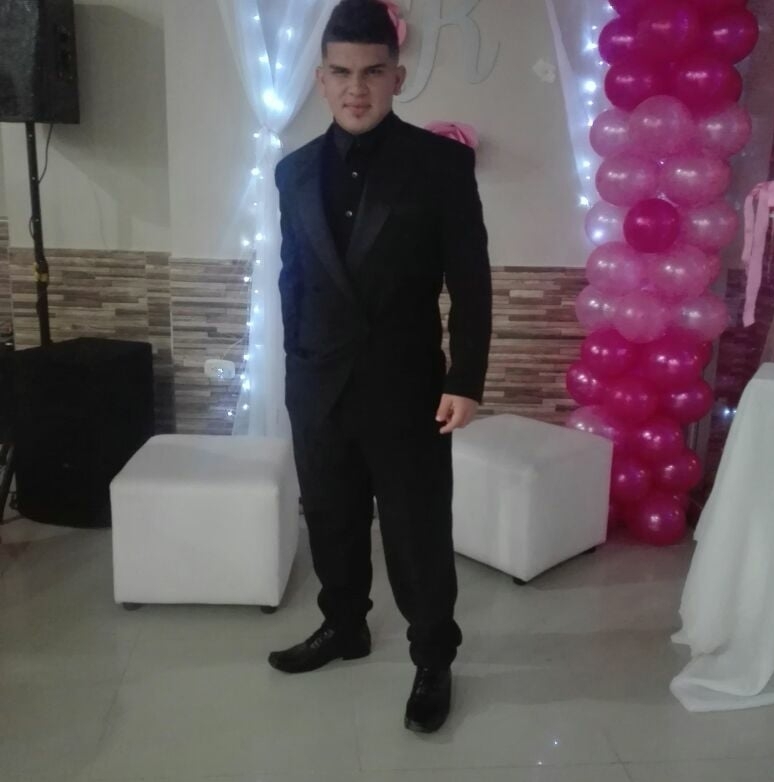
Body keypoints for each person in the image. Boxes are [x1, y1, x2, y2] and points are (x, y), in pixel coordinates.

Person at [270, 0, 492, 734]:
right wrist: (294, 370)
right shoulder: (292, 171)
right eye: (340, 72)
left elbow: (470, 279)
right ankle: (344, 627)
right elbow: (293, 279)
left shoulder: (441, 165)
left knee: (416, 531)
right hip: (318, 385)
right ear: (320, 78)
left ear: (397, 76)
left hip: (408, 388)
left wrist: (465, 380)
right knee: (329, 517)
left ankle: (433, 657)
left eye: (371, 72)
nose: (355, 88)